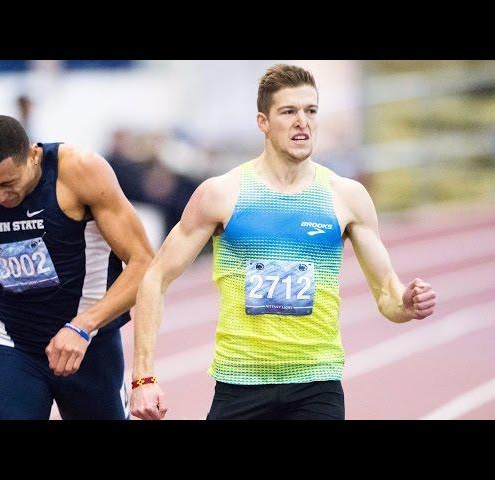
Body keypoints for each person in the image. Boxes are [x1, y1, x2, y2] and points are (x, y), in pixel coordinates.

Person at [129, 64, 437, 420]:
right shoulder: (222, 194)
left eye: (311, 110)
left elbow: (388, 297)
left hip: (316, 384)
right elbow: (155, 278)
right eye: (289, 111)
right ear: (263, 122)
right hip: (240, 382)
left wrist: (407, 303)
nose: (302, 121)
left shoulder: (346, 196)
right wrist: (143, 378)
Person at [0, 115, 153, 419]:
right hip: (13, 342)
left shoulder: (81, 172)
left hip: (89, 344)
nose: (1, 197)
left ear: (32, 155)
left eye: (8, 184)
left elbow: (144, 263)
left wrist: (82, 326)